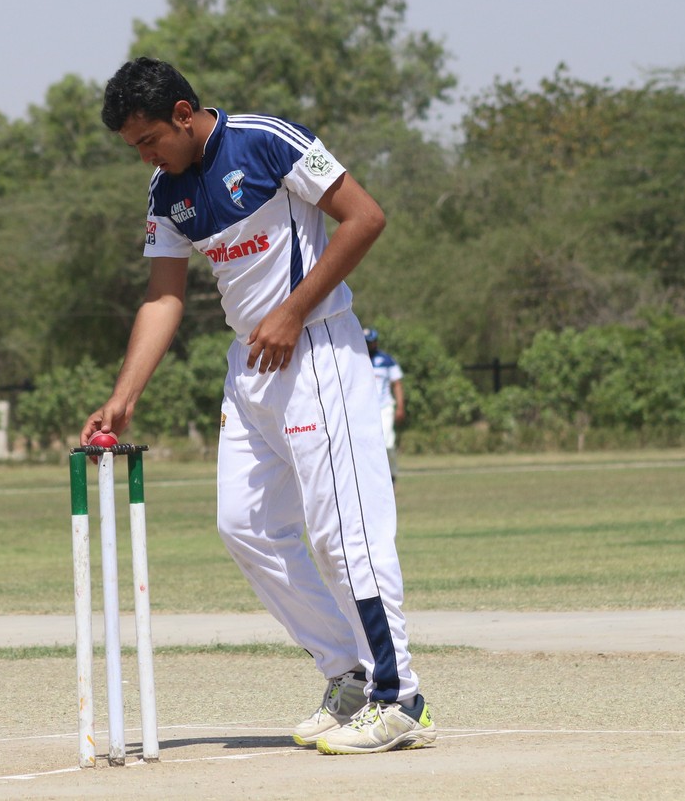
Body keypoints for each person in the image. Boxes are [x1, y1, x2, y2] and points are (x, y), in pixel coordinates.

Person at [82, 58, 434, 755]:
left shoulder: (267, 140)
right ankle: (350, 675)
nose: (145, 156)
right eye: (133, 147)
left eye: (149, 139)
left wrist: (293, 312)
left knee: (343, 533)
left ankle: (401, 699)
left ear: (184, 113)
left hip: (317, 347)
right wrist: (124, 397)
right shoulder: (166, 190)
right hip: (249, 365)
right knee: (245, 527)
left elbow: (365, 217)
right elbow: (164, 295)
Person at [364, 327, 406, 483]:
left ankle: (392, 476)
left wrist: (400, 407)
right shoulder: (357, 358)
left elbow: (397, 383)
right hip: (364, 410)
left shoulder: (387, 360)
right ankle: (375, 480)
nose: (369, 345)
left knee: (387, 444)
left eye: (371, 342)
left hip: (384, 407)